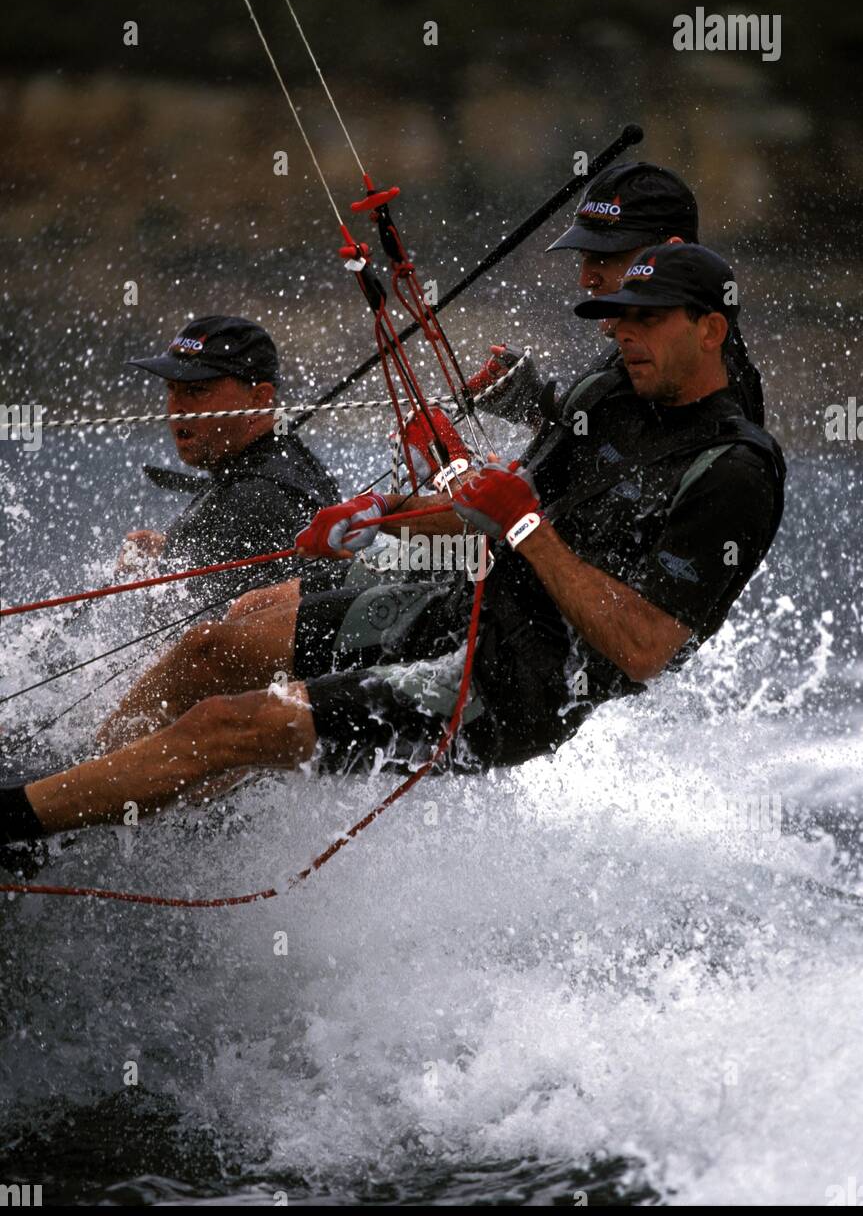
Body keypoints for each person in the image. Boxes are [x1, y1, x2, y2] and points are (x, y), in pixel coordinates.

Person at [0, 244, 785, 845]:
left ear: (710, 328)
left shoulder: (733, 472)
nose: (620, 334)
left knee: (234, 724)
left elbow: (643, 647)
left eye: (644, 320)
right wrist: (373, 524)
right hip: (464, 602)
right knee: (216, 645)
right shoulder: (609, 394)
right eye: (615, 317)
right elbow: (493, 510)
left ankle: (22, 829)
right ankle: (76, 786)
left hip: (514, 686)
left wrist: (525, 528)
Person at [470, 161, 765, 430]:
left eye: (606, 257)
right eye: (585, 256)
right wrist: (534, 411)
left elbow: (642, 475)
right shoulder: (649, 352)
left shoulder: (692, 379)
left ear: (670, 250)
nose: (586, 279)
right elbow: (597, 462)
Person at [118, 315, 342, 602]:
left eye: (197, 390)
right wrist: (169, 554)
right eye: (172, 389)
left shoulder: (255, 498)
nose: (176, 409)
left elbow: (200, 637)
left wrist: (177, 560)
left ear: (260, 398)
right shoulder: (287, 460)